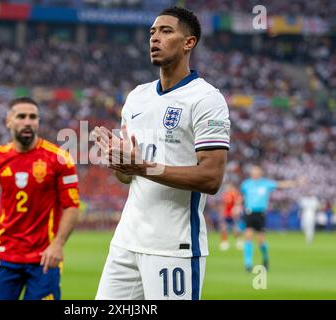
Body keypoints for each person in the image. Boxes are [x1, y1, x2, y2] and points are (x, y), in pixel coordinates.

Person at [93, 6, 230, 300]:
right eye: (152, 33)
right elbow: (127, 178)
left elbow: (211, 177)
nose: (154, 38)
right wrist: (120, 164)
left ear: (188, 42)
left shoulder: (207, 99)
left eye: (166, 31)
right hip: (126, 242)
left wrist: (142, 167)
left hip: (173, 248)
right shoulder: (137, 97)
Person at [0, 97, 80, 300]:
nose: (28, 122)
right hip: (6, 256)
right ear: (8, 121)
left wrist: (58, 244)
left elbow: (72, 206)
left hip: (44, 259)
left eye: (33, 117)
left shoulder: (59, 158)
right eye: (21, 116)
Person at [240, 165, 304, 272]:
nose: (254, 173)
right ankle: (248, 263)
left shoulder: (266, 183)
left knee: (261, 241)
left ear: (260, 173)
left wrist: (296, 182)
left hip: (260, 214)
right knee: (248, 237)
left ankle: (265, 259)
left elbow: (281, 184)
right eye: (253, 172)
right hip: (249, 213)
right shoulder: (246, 184)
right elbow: (242, 197)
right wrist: (237, 206)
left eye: (256, 172)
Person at [219, 182, 243, 251]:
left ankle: (239, 241)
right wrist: (221, 213)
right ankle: (224, 243)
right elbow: (223, 205)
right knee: (223, 228)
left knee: (235, 229)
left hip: (232, 214)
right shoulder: (224, 195)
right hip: (226, 214)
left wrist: (236, 209)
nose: (227, 188)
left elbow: (239, 201)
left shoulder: (234, 193)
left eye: (228, 187)